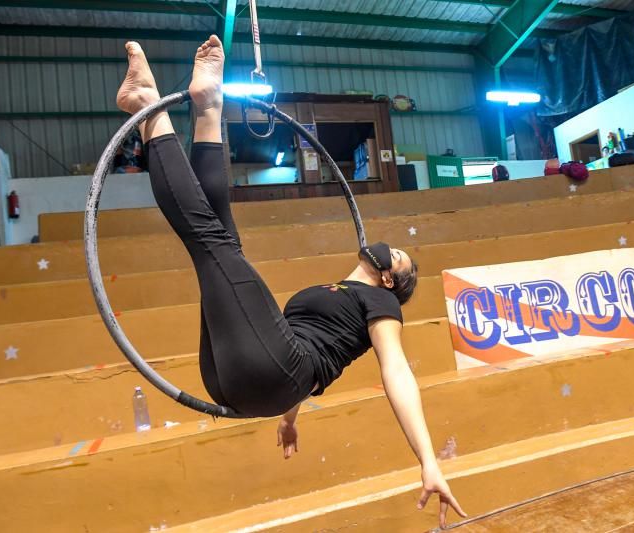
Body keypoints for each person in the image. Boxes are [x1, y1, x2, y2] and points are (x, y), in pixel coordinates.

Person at [115, 36, 466, 527]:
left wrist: (428, 460)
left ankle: (149, 108)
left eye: (401, 258)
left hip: (268, 372)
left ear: (389, 279)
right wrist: (289, 416)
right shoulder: (337, 294)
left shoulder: (381, 306)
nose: (392, 248)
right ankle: (209, 108)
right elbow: (319, 359)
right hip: (241, 377)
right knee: (220, 240)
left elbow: (397, 373)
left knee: (211, 243)